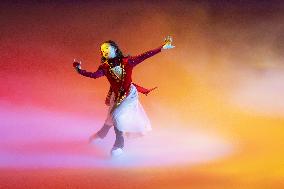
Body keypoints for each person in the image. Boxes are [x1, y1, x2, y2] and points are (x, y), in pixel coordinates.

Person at [73, 36, 175, 156]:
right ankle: (102, 134)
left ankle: (119, 144)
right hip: (116, 96)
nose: (104, 51)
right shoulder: (105, 67)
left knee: (116, 116)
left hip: (129, 95)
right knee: (111, 117)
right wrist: (79, 70)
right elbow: (94, 75)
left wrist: (162, 48)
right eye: (102, 50)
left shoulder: (128, 61)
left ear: (115, 49)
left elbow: (145, 55)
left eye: (106, 48)